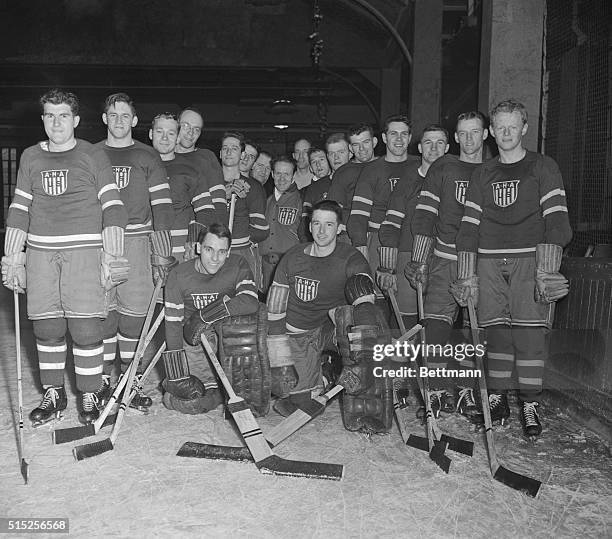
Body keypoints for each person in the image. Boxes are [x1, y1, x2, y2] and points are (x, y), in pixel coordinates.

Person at [1, 89, 128, 425]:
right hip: (41, 253)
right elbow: (19, 207)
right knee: (47, 328)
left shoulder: (92, 154)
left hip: (84, 252)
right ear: (42, 119)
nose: (56, 122)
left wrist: (112, 254)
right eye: (50, 115)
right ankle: (53, 394)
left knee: (86, 329)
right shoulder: (30, 156)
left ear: (75, 119)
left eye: (63, 115)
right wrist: (13, 256)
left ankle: (89, 393)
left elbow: (113, 205)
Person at [454, 99, 572, 438]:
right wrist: (467, 271)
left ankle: (531, 403)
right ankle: (496, 397)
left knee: (529, 335)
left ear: (523, 128)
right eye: (499, 127)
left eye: (512, 126)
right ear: (491, 132)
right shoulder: (483, 172)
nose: (506, 133)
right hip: (488, 261)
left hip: (528, 260)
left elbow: (558, 221)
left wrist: (548, 264)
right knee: (497, 336)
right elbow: (469, 227)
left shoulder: (543, 166)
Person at [95, 92, 175, 410]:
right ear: (104, 118)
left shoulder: (147, 156)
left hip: (139, 241)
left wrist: (161, 252)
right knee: (103, 315)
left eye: (124, 116)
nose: (118, 121)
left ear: (135, 120)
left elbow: (163, 207)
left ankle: (132, 382)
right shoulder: (90, 154)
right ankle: (101, 382)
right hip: (102, 244)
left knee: (134, 319)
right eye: (113, 115)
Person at [405, 113, 487, 420]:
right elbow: (425, 215)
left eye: (474, 133)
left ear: (485, 134)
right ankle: (437, 390)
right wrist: (420, 258)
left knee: (472, 331)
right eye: (463, 134)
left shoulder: (493, 170)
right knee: (436, 326)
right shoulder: (444, 166)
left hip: (481, 264)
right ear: (456, 137)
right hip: (444, 258)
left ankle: (466, 390)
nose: (469, 140)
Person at [267, 200, 371, 416]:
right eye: (316, 224)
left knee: (355, 319)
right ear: (309, 225)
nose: (321, 231)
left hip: (330, 329)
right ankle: (328, 372)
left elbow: (366, 302)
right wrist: (279, 358)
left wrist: (365, 353)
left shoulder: (350, 258)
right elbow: (274, 310)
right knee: (296, 405)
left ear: (340, 228)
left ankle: (343, 370)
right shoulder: (293, 258)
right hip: (298, 334)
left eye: (329, 224)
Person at [162, 223, 259, 414]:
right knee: (179, 401)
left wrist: (207, 315)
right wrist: (178, 375)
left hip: (226, 339)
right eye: (209, 250)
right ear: (198, 248)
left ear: (229, 252)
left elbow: (250, 301)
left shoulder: (237, 264)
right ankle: (220, 390)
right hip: (194, 342)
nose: (215, 258)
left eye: (222, 252)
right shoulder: (179, 275)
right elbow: (172, 326)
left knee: (249, 325)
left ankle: (227, 386)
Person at [377, 124, 449, 329]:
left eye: (439, 142)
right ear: (419, 147)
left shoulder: (455, 179)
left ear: (447, 147)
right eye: (428, 142)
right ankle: (400, 362)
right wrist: (387, 267)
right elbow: (390, 224)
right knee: (404, 325)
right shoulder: (408, 181)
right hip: (408, 258)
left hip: (444, 259)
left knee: (437, 326)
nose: (433, 148)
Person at [347, 114, 420, 306]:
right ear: (385, 137)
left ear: (410, 138)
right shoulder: (372, 169)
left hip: (410, 245)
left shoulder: (420, 166)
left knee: (407, 313)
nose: (398, 139)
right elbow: (358, 216)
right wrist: (360, 252)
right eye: (393, 133)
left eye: (404, 134)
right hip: (377, 244)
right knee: (377, 310)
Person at [149, 112, 215, 262]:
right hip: (146, 252)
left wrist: (194, 240)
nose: (165, 138)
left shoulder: (191, 169)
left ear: (178, 137)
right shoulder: (140, 166)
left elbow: (206, 210)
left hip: (181, 255)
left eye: (171, 133)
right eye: (159, 132)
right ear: (151, 134)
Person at [220, 131, 269, 288]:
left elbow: (261, 230)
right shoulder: (209, 182)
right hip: (213, 252)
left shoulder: (253, 187)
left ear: (241, 155)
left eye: (234, 148)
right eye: (225, 148)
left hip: (241, 253)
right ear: (220, 153)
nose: (229, 152)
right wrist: (222, 195)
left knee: (246, 299)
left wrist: (240, 240)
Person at [175, 107, 227, 229]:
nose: (191, 132)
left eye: (196, 129)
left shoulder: (206, 158)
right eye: (186, 126)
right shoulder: (160, 157)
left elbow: (219, 203)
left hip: (196, 236)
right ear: (176, 124)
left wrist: (219, 235)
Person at [328, 123, 379, 241]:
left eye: (366, 142)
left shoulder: (386, 167)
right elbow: (334, 210)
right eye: (356, 144)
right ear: (351, 148)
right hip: (349, 235)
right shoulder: (343, 173)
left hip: (380, 234)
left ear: (374, 142)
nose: (362, 149)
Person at [259, 156, 302, 294]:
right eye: (278, 173)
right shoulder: (266, 200)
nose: (282, 178)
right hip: (266, 267)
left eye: (286, 174)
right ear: (272, 174)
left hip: (289, 265)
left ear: (293, 175)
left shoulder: (301, 199)